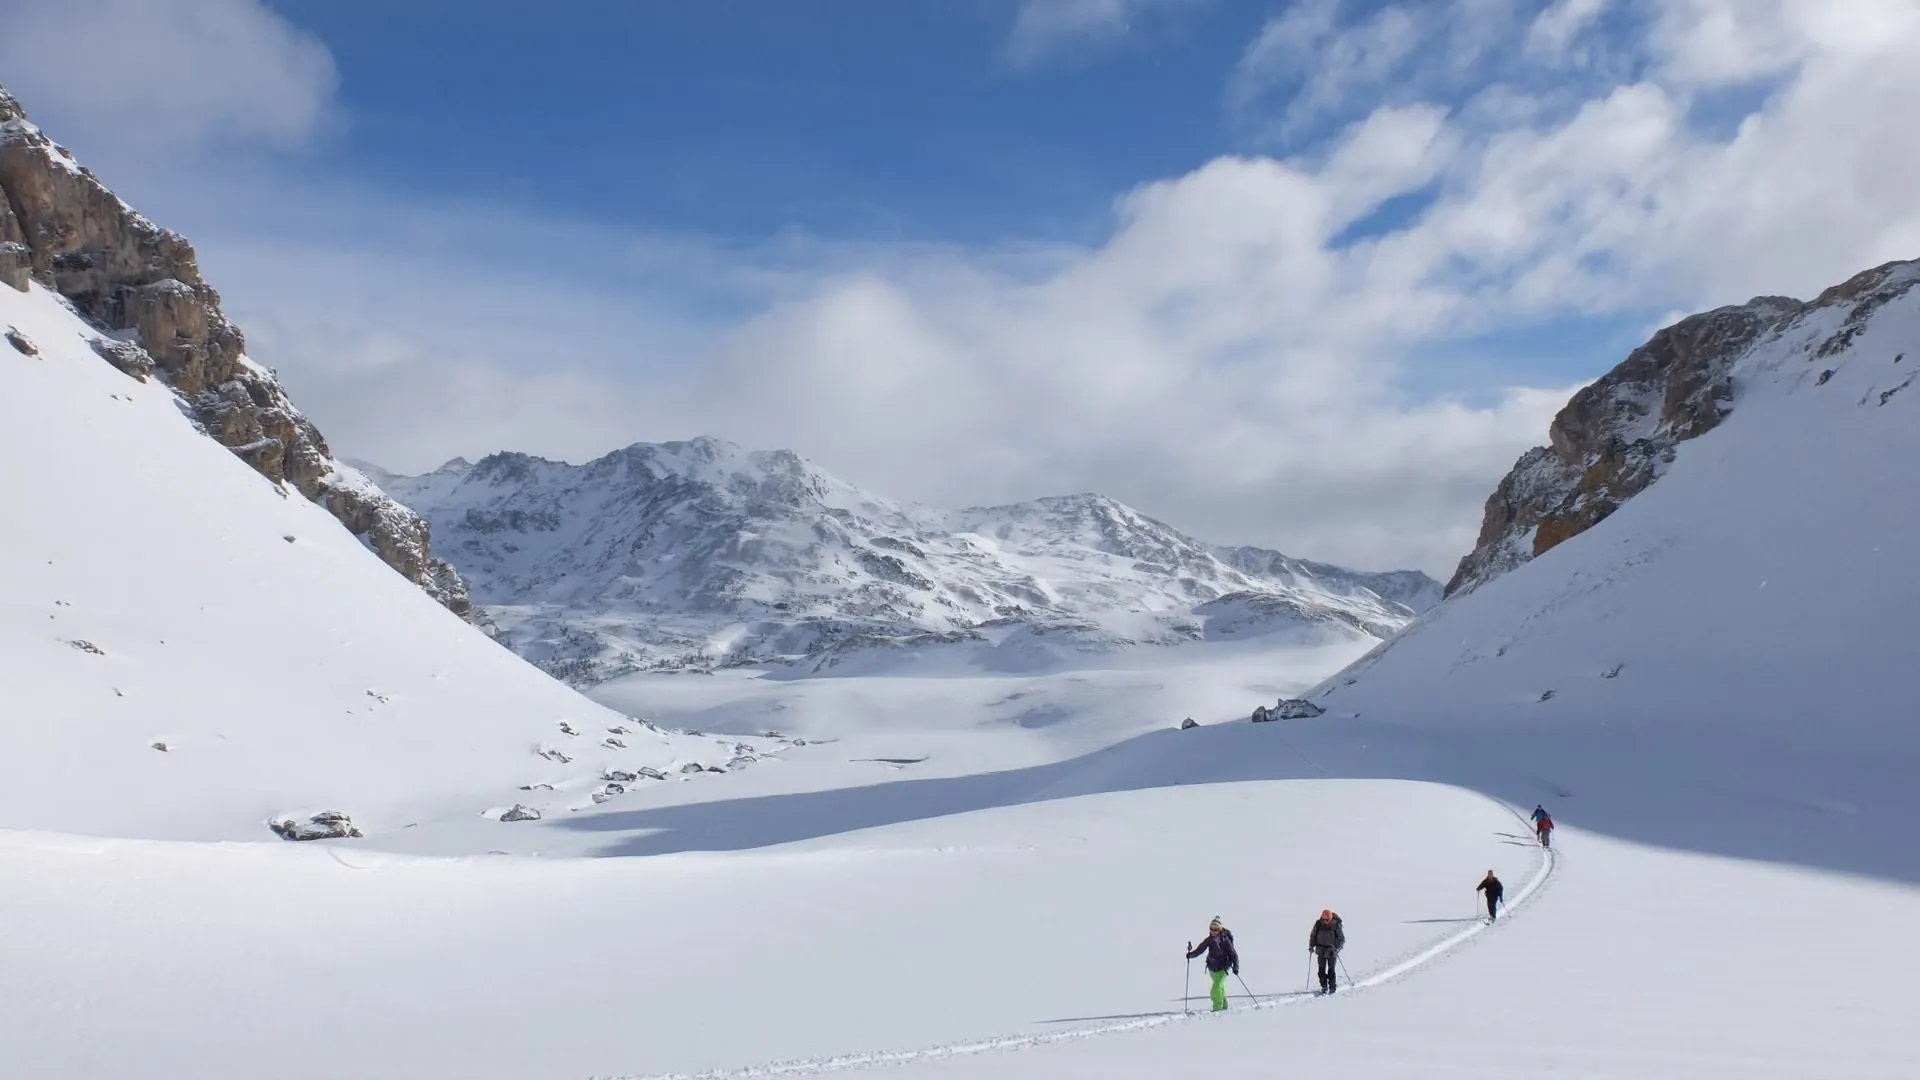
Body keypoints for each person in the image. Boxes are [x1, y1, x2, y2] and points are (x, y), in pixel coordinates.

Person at [1186, 917, 1239, 1012]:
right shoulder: (1209, 940)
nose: (1213, 931)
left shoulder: (1225, 940)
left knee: (1216, 987)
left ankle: (1217, 1008)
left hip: (1223, 968)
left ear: (1220, 929)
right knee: (1220, 986)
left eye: (1215, 929)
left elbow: (1233, 954)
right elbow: (1200, 949)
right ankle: (1224, 1004)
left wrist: (1236, 967)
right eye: (1211, 929)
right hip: (1212, 968)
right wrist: (1191, 955)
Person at [1307, 909, 1345, 994]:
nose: (1325, 921)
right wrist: (1311, 946)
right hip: (1321, 950)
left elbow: (1341, 939)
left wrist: (1338, 948)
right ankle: (1324, 987)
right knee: (1321, 970)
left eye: (1327, 919)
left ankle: (1332, 987)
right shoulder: (1318, 924)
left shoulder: (1336, 925)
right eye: (1324, 919)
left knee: (1331, 970)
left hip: (1332, 951)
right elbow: (1313, 935)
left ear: (1330, 918)